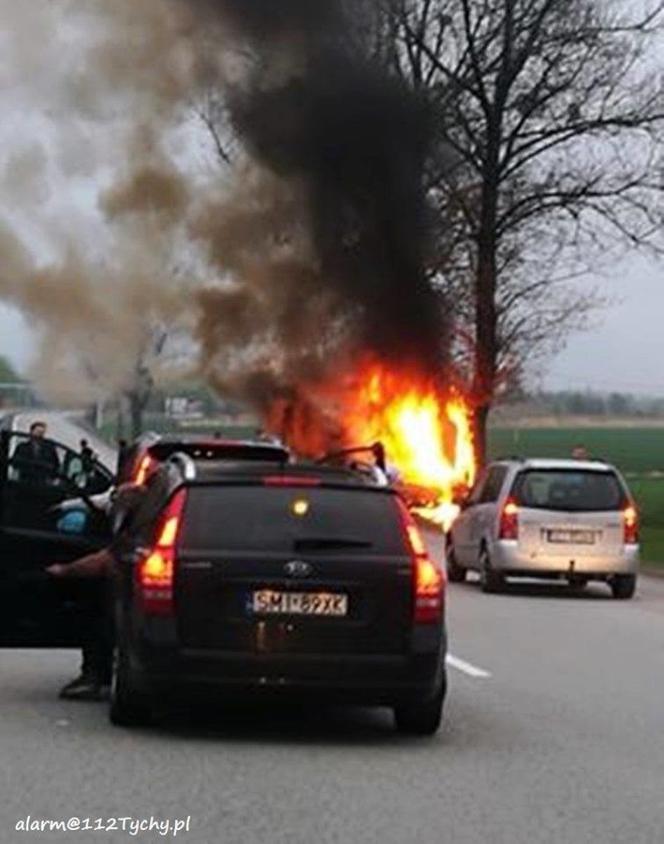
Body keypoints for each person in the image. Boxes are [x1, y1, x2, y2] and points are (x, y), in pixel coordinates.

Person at [45, 482, 150, 701]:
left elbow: (105, 561)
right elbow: (98, 501)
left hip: (138, 597)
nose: (115, 504)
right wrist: (62, 506)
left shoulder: (142, 526)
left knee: (97, 615)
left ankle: (94, 677)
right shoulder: (143, 511)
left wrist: (64, 571)